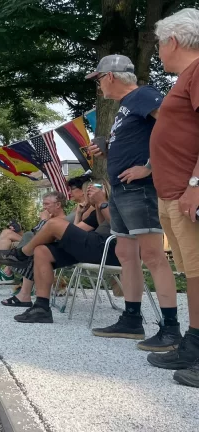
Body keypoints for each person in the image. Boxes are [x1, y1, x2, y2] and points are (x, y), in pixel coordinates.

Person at [85, 54, 180, 352]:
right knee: (126, 252)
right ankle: (131, 319)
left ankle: (171, 328)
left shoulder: (143, 94)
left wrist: (150, 167)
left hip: (142, 188)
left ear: (110, 76)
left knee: (153, 255)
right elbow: (138, 139)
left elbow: (173, 126)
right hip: (123, 191)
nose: (98, 85)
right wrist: (106, 147)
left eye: (99, 79)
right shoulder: (126, 107)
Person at [146, 8, 199, 387]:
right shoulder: (185, 77)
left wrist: (197, 183)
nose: (158, 52)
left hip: (187, 191)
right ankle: (194, 343)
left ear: (174, 40)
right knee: (192, 273)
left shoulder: (197, 72)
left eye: (159, 44)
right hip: (172, 193)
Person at [0, 184, 120, 323]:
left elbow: (118, 227)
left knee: (53, 224)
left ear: (105, 189)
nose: (88, 194)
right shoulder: (97, 209)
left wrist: (102, 202)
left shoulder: (119, 201)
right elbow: (87, 227)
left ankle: (21, 254)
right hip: (94, 247)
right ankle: (41, 308)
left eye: (92, 189)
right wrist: (91, 208)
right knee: (42, 251)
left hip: (111, 249)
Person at [0, 191, 68, 305]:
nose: (44, 207)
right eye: (43, 204)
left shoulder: (63, 220)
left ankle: (10, 270)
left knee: (34, 249)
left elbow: (39, 235)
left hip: (55, 253)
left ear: (58, 205)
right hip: (41, 249)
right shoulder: (51, 219)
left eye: (47, 204)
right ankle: (8, 271)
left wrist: (43, 221)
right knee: (20, 238)